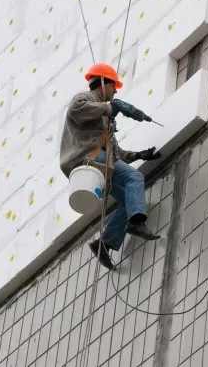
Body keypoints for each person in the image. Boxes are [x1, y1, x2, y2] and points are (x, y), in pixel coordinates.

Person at [60, 63, 161, 270]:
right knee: (135, 179)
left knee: (127, 201)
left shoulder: (105, 117)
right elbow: (75, 110)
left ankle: (104, 244)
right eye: (113, 86)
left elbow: (114, 151)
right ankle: (137, 223)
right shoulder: (85, 99)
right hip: (89, 159)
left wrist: (138, 155)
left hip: (101, 164)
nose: (115, 91)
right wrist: (110, 107)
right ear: (103, 83)